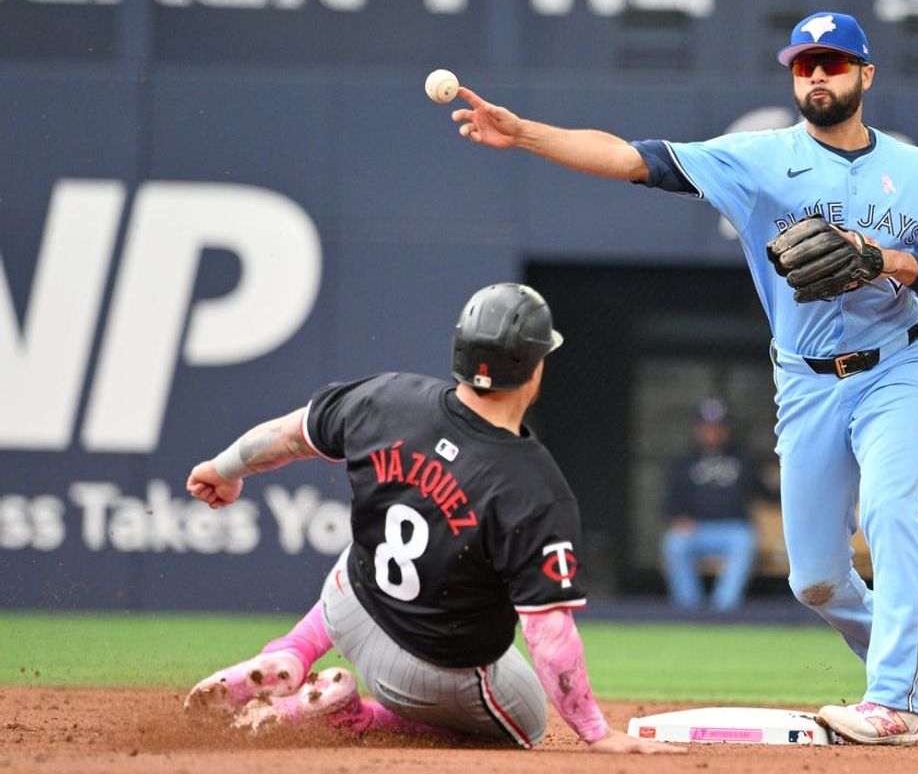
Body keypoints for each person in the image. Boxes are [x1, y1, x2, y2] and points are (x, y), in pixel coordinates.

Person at [446, 11, 918, 745]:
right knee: (815, 579)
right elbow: (632, 159)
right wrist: (526, 134)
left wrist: (885, 258)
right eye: (803, 64)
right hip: (806, 383)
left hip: (894, 370)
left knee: (892, 511)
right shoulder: (759, 160)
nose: (816, 75)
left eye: (832, 62)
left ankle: (893, 700)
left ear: (865, 74)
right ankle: (900, 666)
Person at [183, 283, 681, 756]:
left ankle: (292, 652)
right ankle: (355, 719)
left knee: (380, 525)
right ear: (535, 368)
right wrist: (595, 732)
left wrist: (222, 469)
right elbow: (547, 631)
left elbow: (291, 435)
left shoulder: (386, 398)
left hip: (347, 611)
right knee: (527, 725)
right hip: (428, 674)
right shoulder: (533, 487)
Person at [660, 398, 760, 612]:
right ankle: (689, 608)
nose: (713, 432)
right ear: (698, 429)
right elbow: (670, 502)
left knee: (744, 540)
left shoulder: (743, 458)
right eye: (707, 427)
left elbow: (764, 492)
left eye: (718, 427)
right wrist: (679, 517)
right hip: (697, 530)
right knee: (675, 543)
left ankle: (723, 609)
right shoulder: (684, 462)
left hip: (733, 529)